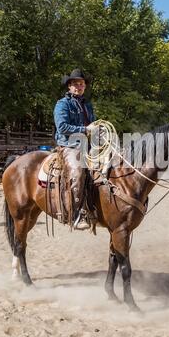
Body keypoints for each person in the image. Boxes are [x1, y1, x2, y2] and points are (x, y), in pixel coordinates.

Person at [53, 69, 95, 230]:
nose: (79, 86)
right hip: (69, 145)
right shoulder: (62, 104)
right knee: (77, 172)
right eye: (76, 83)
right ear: (69, 86)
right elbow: (62, 127)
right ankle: (75, 214)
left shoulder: (87, 105)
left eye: (82, 83)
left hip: (89, 145)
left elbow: (92, 124)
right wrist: (85, 130)